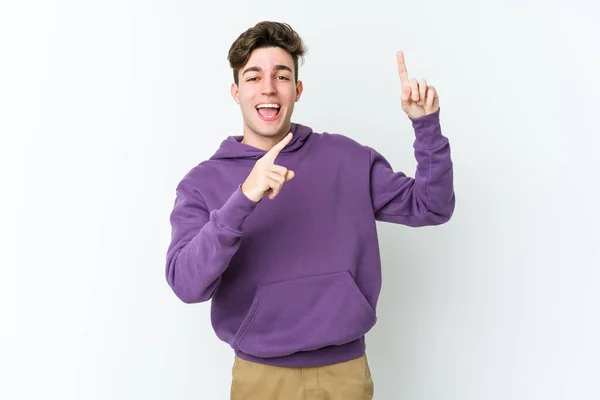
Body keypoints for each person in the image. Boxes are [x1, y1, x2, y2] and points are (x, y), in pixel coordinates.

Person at [165, 21, 455, 400]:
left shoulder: (347, 158)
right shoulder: (202, 182)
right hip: (261, 377)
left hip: (345, 373)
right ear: (236, 91)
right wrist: (243, 198)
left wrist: (426, 126)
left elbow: (432, 206)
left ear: (297, 89)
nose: (268, 87)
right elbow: (186, 285)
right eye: (253, 77)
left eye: (281, 76)